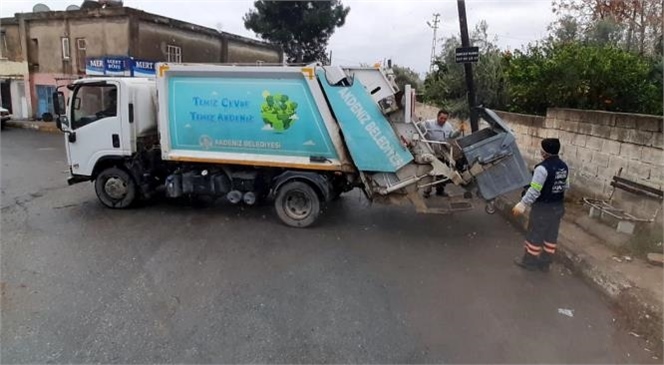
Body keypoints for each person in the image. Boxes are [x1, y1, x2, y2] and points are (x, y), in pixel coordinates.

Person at [512, 138, 569, 272]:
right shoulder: (564, 166)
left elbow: (534, 190)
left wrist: (523, 204)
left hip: (543, 208)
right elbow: (566, 186)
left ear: (544, 152)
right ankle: (545, 263)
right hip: (558, 207)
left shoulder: (542, 169)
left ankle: (530, 262)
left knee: (535, 234)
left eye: (542, 149)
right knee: (551, 237)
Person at [423, 109, 465, 196]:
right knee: (430, 171)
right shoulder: (428, 124)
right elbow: (420, 130)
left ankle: (439, 190)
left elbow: (451, 136)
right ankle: (427, 191)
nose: (442, 121)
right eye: (441, 118)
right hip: (431, 150)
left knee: (442, 170)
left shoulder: (448, 126)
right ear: (437, 116)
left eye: (445, 119)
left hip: (442, 150)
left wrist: (459, 131)